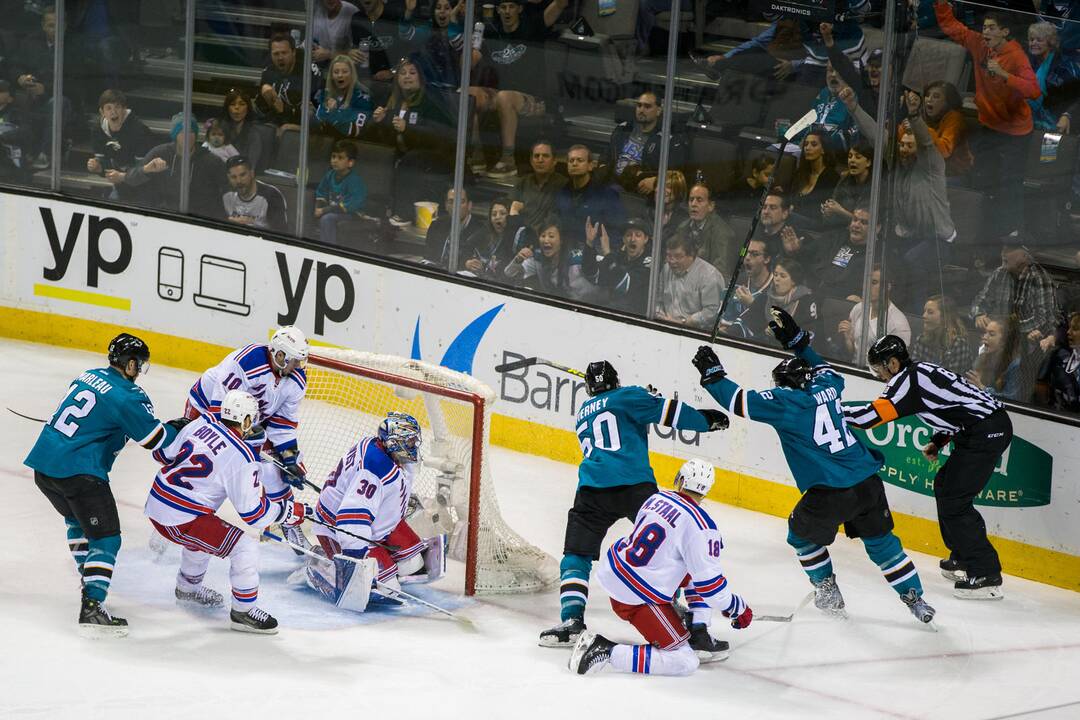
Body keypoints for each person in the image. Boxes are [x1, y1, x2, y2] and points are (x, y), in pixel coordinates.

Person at [692, 310, 937, 623]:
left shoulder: (786, 402)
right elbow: (821, 366)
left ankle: (827, 589)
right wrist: (797, 342)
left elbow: (738, 402)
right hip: (868, 483)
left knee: (800, 536)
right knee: (882, 544)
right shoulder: (828, 385)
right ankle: (915, 599)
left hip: (830, 491)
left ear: (784, 385)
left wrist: (712, 375)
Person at [539, 361, 728, 649]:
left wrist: (641, 398)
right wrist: (707, 421)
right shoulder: (629, 395)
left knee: (576, 555)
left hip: (592, 491)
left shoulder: (583, 413)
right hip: (634, 486)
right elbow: (671, 413)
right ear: (615, 381)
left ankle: (572, 621)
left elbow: (616, 416)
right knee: (677, 544)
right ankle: (688, 617)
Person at [23, 333, 185, 637]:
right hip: (79, 473)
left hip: (44, 468)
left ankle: (90, 580)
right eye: (140, 365)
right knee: (107, 539)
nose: (140, 372)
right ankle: (92, 606)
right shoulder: (128, 396)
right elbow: (154, 440)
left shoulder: (89, 375)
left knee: (77, 520)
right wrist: (177, 427)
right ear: (131, 363)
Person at [845, 335, 1012, 599]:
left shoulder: (906, 380)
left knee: (956, 500)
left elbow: (871, 417)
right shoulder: (921, 371)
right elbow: (955, 405)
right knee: (945, 486)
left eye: (879, 369)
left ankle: (986, 573)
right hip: (982, 428)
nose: (879, 376)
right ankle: (963, 556)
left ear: (893, 363)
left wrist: (829, 412)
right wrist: (938, 440)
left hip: (985, 432)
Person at [569, 459, 753, 676]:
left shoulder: (655, 499)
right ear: (705, 491)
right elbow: (711, 589)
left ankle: (698, 630)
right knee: (684, 661)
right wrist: (737, 607)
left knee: (693, 566)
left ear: (680, 481)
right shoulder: (702, 526)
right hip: (637, 598)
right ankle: (606, 650)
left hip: (615, 572)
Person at [144, 391, 308, 634]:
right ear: (244, 420)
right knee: (244, 547)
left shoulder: (203, 421)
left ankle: (188, 588)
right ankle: (243, 611)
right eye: (251, 419)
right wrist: (287, 512)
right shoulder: (242, 458)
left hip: (157, 503)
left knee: (205, 535)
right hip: (181, 519)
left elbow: (162, 455)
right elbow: (254, 514)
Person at [184, 327, 311, 551]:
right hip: (208, 408)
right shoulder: (245, 362)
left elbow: (282, 423)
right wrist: (246, 453)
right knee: (213, 466)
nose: (299, 367)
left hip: (250, 418)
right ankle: (189, 514)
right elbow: (222, 416)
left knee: (275, 470)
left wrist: (289, 457)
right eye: (295, 360)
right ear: (279, 355)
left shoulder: (296, 379)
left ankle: (287, 525)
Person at [302, 412, 445, 609]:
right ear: (395, 443)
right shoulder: (374, 470)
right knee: (389, 589)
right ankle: (325, 570)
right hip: (339, 529)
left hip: (375, 522)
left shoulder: (380, 448)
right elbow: (350, 519)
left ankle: (388, 565)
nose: (414, 446)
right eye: (410, 442)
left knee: (412, 565)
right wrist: (356, 559)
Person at [935, 2, 1040, 234]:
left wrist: (1004, 75)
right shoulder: (979, 44)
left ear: (1005, 32)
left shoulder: (1016, 56)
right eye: (984, 27)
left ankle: (1012, 232)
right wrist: (940, 3)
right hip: (990, 126)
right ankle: (983, 228)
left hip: (1016, 133)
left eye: (992, 28)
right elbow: (951, 27)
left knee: (1010, 184)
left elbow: (1033, 90)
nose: (986, 31)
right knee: (982, 177)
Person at [474, 0, 567, 178]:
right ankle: (476, 154)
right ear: (497, 10)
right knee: (470, 93)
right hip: (503, 96)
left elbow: (561, 4)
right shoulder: (492, 32)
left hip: (536, 99)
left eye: (512, 7)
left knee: (504, 97)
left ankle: (508, 160)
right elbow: (467, 65)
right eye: (503, 7)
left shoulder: (532, 27)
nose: (507, 11)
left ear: (520, 9)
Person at [372, 59, 455, 227]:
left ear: (421, 77)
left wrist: (408, 128)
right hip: (407, 152)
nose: (407, 77)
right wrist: (380, 122)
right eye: (402, 73)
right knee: (379, 154)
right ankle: (375, 208)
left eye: (412, 72)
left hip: (437, 155)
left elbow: (440, 135)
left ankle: (404, 213)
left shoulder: (431, 100)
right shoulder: (393, 101)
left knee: (411, 159)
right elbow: (388, 139)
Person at [123, 115, 228, 220]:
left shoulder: (211, 160)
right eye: (182, 132)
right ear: (175, 135)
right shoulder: (160, 153)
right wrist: (146, 170)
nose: (187, 136)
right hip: (165, 216)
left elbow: (228, 187)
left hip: (200, 219)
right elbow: (132, 178)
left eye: (191, 131)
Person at [607, 91, 688, 196]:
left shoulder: (667, 140)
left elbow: (675, 174)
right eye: (639, 105)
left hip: (638, 188)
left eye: (647, 107)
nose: (641, 110)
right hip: (613, 181)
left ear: (658, 111)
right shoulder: (623, 129)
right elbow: (607, 154)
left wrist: (656, 180)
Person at [504, 221, 604, 303]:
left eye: (551, 236)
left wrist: (589, 244)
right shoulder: (537, 259)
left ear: (561, 241)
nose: (546, 240)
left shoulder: (578, 258)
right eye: (543, 236)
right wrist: (517, 260)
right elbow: (508, 274)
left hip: (594, 307)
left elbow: (598, 268)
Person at [85, 89, 158, 201]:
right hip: (120, 182)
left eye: (117, 107)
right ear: (102, 112)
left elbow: (144, 171)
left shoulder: (139, 131)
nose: (113, 112)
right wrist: (98, 167)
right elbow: (104, 163)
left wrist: (123, 177)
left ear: (124, 109)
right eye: (108, 108)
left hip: (146, 185)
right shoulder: (97, 130)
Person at [554, 145, 625, 246]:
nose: (574, 163)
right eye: (571, 161)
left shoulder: (607, 195)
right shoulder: (561, 193)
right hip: (565, 250)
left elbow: (618, 231)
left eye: (580, 160)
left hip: (594, 251)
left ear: (590, 165)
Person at [838, 266, 912, 364]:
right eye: (867, 282)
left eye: (874, 283)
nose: (868, 287)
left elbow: (896, 364)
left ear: (887, 286)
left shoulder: (899, 324)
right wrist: (848, 338)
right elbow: (853, 352)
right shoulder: (858, 308)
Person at [582, 217, 654, 315]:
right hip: (613, 311)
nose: (632, 239)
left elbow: (626, 285)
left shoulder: (649, 262)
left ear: (645, 239)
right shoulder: (619, 256)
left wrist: (607, 253)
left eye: (638, 235)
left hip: (636, 318)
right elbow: (593, 276)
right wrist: (589, 244)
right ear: (623, 239)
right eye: (628, 235)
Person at [655, 234, 724, 331]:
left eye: (677, 256)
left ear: (691, 255)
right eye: (669, 255)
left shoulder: (710, 276)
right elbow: (657, 300)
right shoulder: (666, 269)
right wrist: (661, 316)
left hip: (696, 331)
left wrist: (684, 322)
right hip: (664, 325)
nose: (671, 261)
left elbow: (711, 311)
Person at [672, 182, 737, 280]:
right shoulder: (682, 228)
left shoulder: (722, 233)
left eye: (699, 200)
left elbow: (720, 273)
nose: (693, 204)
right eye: (691, 200)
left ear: (711, 206)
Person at [1025, 21, 1080, 133]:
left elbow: (1076, 97)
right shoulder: (1028, 61)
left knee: (1048, 151)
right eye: (1031, 39)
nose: (1033, 43)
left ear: (1050, 43)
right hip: (1030, 121)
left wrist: (1067, 115)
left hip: (1058, 123)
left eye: (1039, 40)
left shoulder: (1064, 66)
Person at [744, 259, 818, 340]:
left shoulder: (806, 301)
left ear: (793, 281)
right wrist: (765, 331)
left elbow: (809, 334)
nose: (777, 279)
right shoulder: (765, 297)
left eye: (782, 276)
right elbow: (750, 322)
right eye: (775, 275)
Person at [815, 204, 874, 303]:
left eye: (864, 222)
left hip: (844, 304)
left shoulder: (877, 257)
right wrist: (795, 250)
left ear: (877, 228)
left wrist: (861, 298)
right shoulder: (837, 239)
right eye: (855, 220)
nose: (856, 225)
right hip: (819, 295)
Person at [315, 139, 368, 246]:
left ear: (350, 162)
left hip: (353, 214)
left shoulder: (354, 180)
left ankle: (329, 249)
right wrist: (318, 208)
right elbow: (321, 193)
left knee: (327, 218)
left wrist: (324, 210)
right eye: (333, 156)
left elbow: (351, 205)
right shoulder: (330, 175)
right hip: (333, 211)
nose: (335, 160)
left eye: (340, 158)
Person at [256, 31, 311, 133]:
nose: (280, 57)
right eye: (276, 54)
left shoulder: (308, 74)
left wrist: (284, 111)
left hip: (303, 130)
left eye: (284, 53)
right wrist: (265, 97)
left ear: (293, 52)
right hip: (276, 127)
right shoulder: (268, 73)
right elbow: (261, 111)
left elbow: (316, 116)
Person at [919, 80, 975, 180]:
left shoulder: (955, 118)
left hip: (954, 175)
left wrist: (922, 129)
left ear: (947, 102)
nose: (929, 100)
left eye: (936, 96)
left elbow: (944, 151)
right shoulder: (923, 116)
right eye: (927, 95)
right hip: (930, 171)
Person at [509, 140, 567, 234]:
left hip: (548, 239)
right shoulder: (522, 182)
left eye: (545, 156)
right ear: (531, 161)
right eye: (536, 156)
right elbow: (511, 210)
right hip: (522, 236)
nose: (540, 160)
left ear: (554, 161)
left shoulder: (564, 185)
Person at [465, 196, 527, 280]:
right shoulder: (485, 231)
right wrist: (467, 262)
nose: (497, 217)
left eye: (503, 213)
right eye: (494, 214)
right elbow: (465, 248)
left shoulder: (515, 237)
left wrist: (513, 217)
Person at [425, 185, 486, 270]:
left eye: (461, 201)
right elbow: (428, 258)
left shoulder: (481, 231)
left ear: (469, 205)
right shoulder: (436, 226)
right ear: (446, 205)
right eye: (451, 202)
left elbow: (480, 265)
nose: (455, 206)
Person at [222, 155, 289, 233]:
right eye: (233, 177)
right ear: (228, 178)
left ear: (252, 173)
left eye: (243, 175)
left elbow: (280, 232)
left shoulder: (271, 195)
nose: (239, 181)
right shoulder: (225, 194)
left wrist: (252, 223)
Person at [791, 129, 842, 231]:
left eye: (813, 144)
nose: (807, 148)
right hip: (794, 225)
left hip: (816, 226)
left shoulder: (832, 177)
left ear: (823, 149)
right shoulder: (800, 173)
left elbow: (822, 211)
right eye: (806, 144)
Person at [315, 55, 375, 139]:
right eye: (336, 72)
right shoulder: (325, 93)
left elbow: (355, 131)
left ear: (352, 74)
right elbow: (318, 122)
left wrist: (333, 114)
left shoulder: (363, 97)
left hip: (349, 144)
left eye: (345, 71)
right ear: (331, 76)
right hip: (324, 141)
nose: (340, 75)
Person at [912, 294, 974, 373]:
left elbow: (952, 380)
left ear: (944, 317)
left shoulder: (959, 344)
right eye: (924, 311)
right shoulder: (921, 339)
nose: (924, 316)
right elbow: (913, 370)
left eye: (930, 312)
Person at [967, 316, 1023, 400]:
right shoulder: (982, 357)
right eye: (985, 333)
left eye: (991, 334)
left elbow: (1011, 399)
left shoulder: (1015, 365)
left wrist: (983, 388)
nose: (984, 337)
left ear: (1004, 341)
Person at [823, 141, 873, 228]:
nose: (852, 160)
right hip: (840, 229)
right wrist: (828, 211)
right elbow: (834, 202)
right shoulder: (845, 180)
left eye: (858, 157)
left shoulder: (874, 186)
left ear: (868, 162)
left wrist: (840, 211)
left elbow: (866, 222)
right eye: (850, 156)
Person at [219, 90, 267, 174]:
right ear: (227, 108)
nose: (237, 107)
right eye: (232, 104)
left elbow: (251, 166)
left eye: (242, 104)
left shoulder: (254, 133)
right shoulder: (219, 128)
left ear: (248, 108)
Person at [313, 0, 361, 74]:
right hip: (318, 66)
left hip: (343, 68)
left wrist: (329, 54)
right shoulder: (317, 8)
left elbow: (356, 53)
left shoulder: (351, 12)